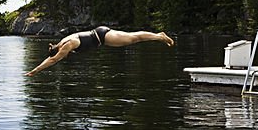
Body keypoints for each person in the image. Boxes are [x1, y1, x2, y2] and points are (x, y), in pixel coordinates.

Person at [25, 26, 174, 76]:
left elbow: (53, 59)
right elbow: (52, 56)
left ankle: (159, 36)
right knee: (133, 37)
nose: (65, 56)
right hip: (101, 34)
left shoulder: (67, 46)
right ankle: (158, 37)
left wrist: (35, 70)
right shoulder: (62, 41)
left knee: (134, 38)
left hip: (103, 37)